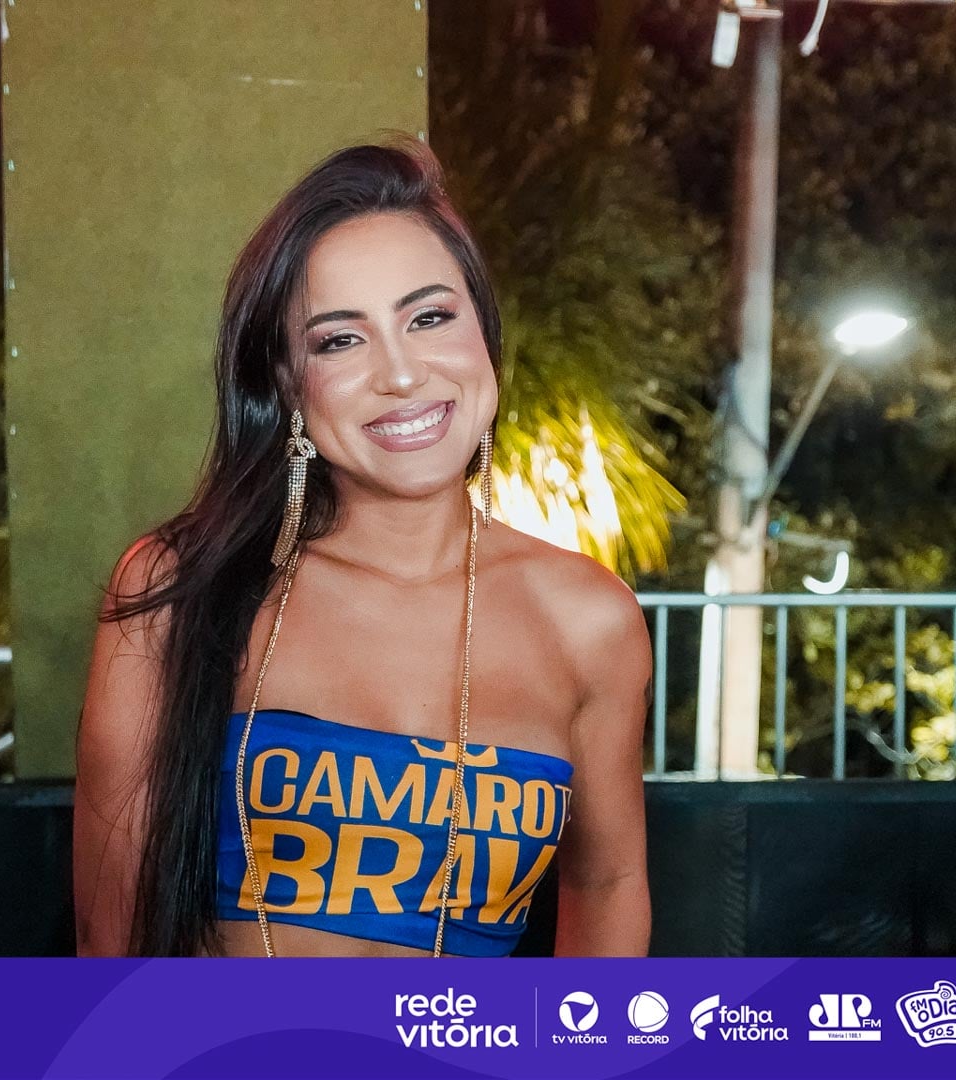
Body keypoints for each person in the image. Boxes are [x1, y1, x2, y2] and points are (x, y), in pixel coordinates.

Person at [73, 134, 651, 957]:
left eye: (430, 318)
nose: (402, 374)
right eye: (339, 340)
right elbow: (112, 934)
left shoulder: (589, 620)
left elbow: (608, 883)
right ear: (286, 382)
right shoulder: (178, 589)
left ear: (483, 334)